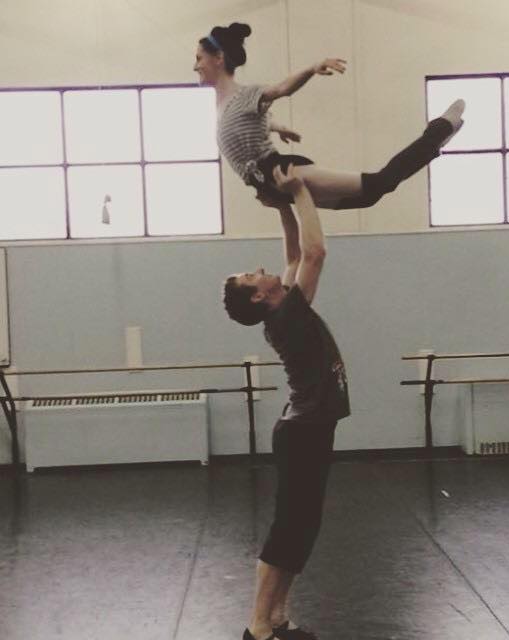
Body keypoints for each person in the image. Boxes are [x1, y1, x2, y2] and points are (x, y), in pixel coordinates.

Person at [223, 165, 350, 640]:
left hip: (310, 428)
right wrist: (298, 191)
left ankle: (277, 617)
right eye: (251, 275)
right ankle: (258, 626)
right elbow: (316, 252)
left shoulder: (284, 309)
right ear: (260, 295)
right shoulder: (289, 316)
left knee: (304, 529)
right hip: (302, 434)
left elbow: (295, 252)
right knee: (288, 529)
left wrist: (282, 209)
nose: (260, 269)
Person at [194, 22, 464, 210]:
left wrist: (312, 68)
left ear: (218, 58)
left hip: (279, 170)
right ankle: (436, 141)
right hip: (268, 184)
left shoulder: (244, 95)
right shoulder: (225, 107)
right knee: (368, 198)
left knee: (379, 182)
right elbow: (247, 123)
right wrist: (278, 126)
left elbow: (282, 89)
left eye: (199, 58)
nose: (195, 65)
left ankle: (440, 129)